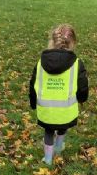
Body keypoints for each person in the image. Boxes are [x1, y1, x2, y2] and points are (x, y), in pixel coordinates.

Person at [29, 23, 89, 165]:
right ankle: (59, 146)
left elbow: (33, 85)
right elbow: (82, 85)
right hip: (66, 111)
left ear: (52, 41)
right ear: (72, 43)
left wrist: (33, 102)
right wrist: (82, 98)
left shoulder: (40, 63)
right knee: (63, 126)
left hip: (46, 110)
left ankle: (48, 159)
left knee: (49, 132)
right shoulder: (77, 63)